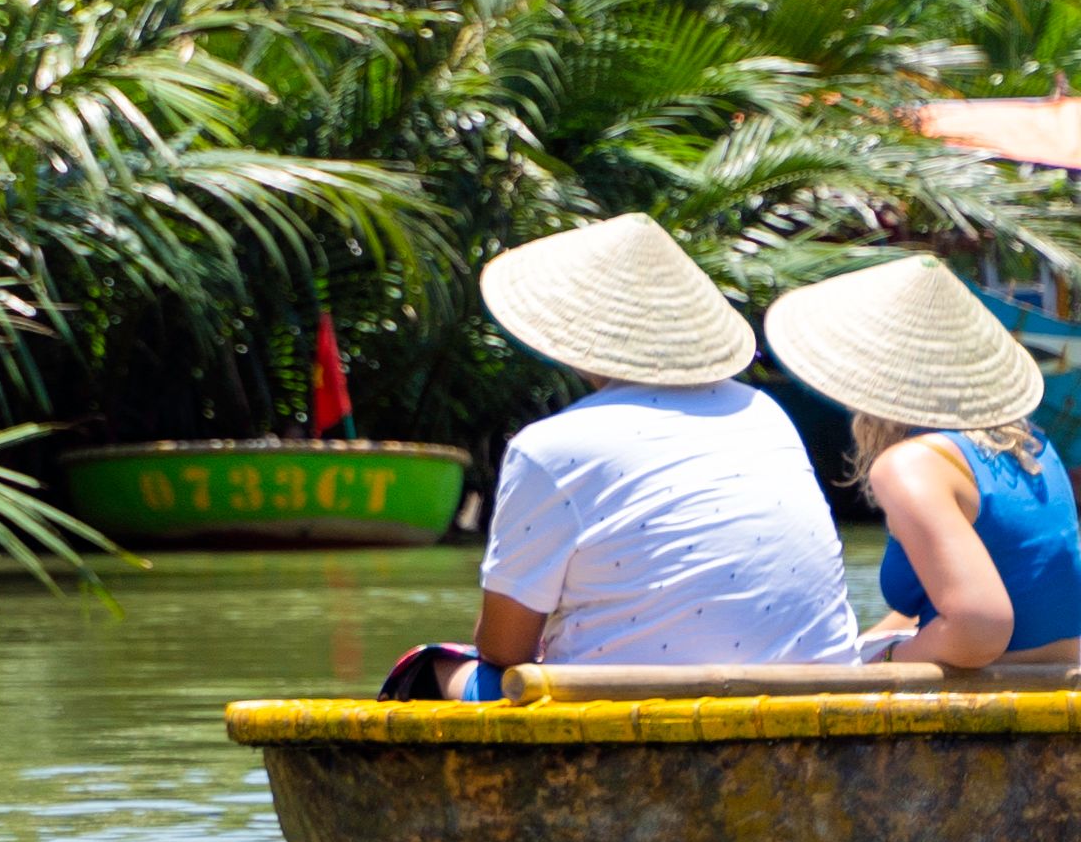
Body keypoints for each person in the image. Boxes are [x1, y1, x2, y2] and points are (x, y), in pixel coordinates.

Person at [398, 212, 860, 699]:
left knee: (428, 668)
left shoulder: (549, 447)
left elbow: (504, 647)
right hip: (812, 696)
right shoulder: (765, 413)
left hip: (621, 706)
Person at [765, 256, 1081, 682]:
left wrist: (886, 662)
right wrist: (861, 651)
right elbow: (1005, 587)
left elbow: (978, 627)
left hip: (993, 690)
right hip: (1058, 680)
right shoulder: (1032, 441)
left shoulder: (911, 465)